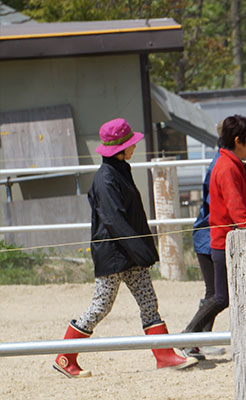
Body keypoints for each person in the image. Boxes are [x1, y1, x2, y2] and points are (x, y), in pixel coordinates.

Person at [53, 118, 197, 379]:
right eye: (130, 143)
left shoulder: (120, 169)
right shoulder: (106, 178)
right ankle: (66, 357)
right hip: (113, 255)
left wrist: (142, 249)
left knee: (148, 302)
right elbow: (114, 219)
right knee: (100, 307)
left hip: (129, 253)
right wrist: (141, 250)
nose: (134, 147)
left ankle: (164, 356)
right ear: (119, 148)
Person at [182, 115, 246, 338]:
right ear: (238, 140)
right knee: (220, 297)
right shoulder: (227, 167)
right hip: (224, 242)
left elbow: (238, 204)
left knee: (222, 295)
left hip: (224, 239)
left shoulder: (229, 163)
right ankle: (189, 333)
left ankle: (193, 337)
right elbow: (236, 209)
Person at [183, 121, 226, 359]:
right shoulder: (221, 165)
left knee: (215, 292)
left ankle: (198, 338)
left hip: (206, 234)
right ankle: (192, 335)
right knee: (217, 294)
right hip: (208, 235)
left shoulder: (220, 161)